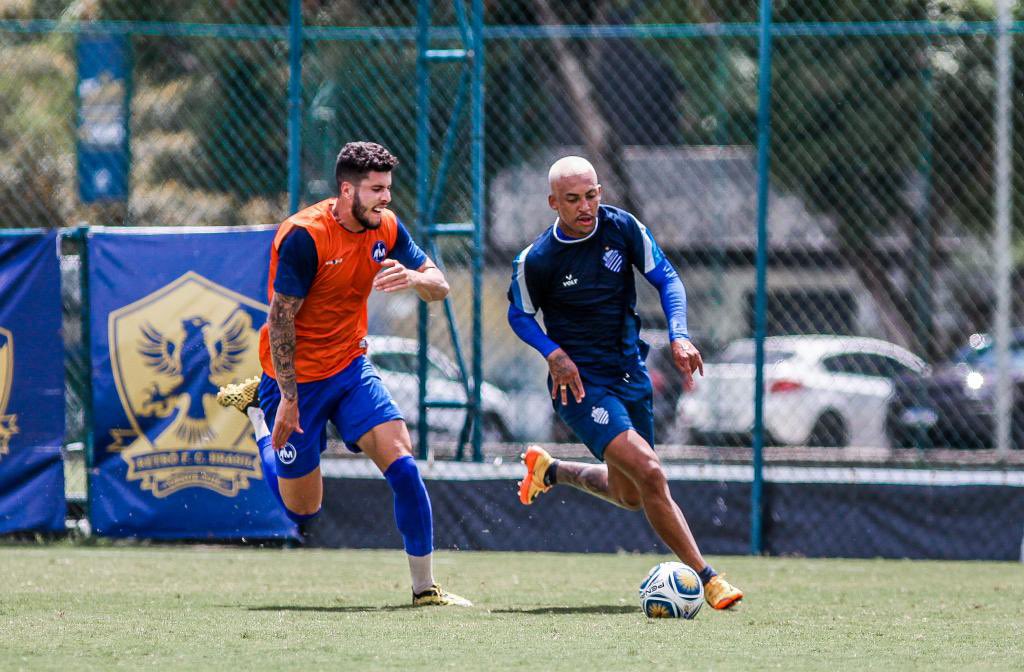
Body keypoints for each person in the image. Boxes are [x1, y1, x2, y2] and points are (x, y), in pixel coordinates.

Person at [217, 141, 470, 607]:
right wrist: (287, 399)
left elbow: (441, 285)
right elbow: (281, 319)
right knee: (303, 508)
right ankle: (258, 417)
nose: (386, 198)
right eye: (376, 189)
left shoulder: (386, 227)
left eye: (388, 188)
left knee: (405, 467)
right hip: (294, 381)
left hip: (351, 369)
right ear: (346, 189)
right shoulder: (304, 236)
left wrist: (414, 278)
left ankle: (424, 589)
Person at [507, 156, 743, 610]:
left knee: (632, 494)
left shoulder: (623, 227)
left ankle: (551, 470)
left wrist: (679, 335)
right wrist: (554, 355)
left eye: (592, 195)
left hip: (631, 375)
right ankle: (708, 577)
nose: (585, 207)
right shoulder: (538, 259)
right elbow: (519, 314)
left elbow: (667, 278)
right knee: (652, 472)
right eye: (572, 199)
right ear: (553, 202)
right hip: (579, 388)